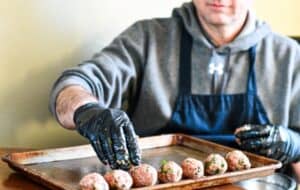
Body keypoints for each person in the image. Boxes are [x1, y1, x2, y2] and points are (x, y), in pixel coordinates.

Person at [49, 0, 300, 172]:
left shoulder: (288, 57)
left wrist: (295, 145)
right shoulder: (148, 38)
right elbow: (72, 86)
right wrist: (88, 112)